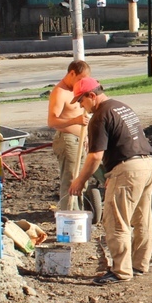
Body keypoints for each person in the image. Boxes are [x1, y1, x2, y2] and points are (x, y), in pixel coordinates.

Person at [68, 77, 152, 285]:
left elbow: (95, 156)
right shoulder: (120, 107)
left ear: (92, 95)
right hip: (146, 164)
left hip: (128, 169)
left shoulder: (99, 116)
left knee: (116, 221)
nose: (81, 106)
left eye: (81, 101)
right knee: (142, 219)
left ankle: (121, 271)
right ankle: (139, 264)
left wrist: (80, 180)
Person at [47, 60, 90, 211]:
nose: (80, 83)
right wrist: (75, 121)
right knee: (70, 179)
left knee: (82, 179)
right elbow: (52, 120)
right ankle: (68, 215)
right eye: (79, 79)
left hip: (81, 140)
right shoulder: (60, 92)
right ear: (72, 73)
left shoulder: (76, 90)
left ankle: (78, 211)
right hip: (67, 139)